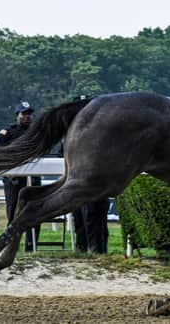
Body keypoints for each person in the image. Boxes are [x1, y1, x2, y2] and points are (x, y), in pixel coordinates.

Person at [58, 95, 109, 254]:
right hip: (78, 183)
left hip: (95, 182)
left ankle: (97, 251)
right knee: (80, 218)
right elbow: (61, 154)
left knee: (94, 217)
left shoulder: (100, 129)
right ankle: (82, 250)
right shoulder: (69, 131)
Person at [0, 101, 42, 251]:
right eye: (24, 114)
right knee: (13, 213)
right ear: (17, 115)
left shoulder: (37, 131)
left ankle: (31, 246)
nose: (27, 117)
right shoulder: (8, 132)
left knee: (34, 213)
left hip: (33, 178)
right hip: (14, 179)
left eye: (29, 114)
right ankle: (10, 246)